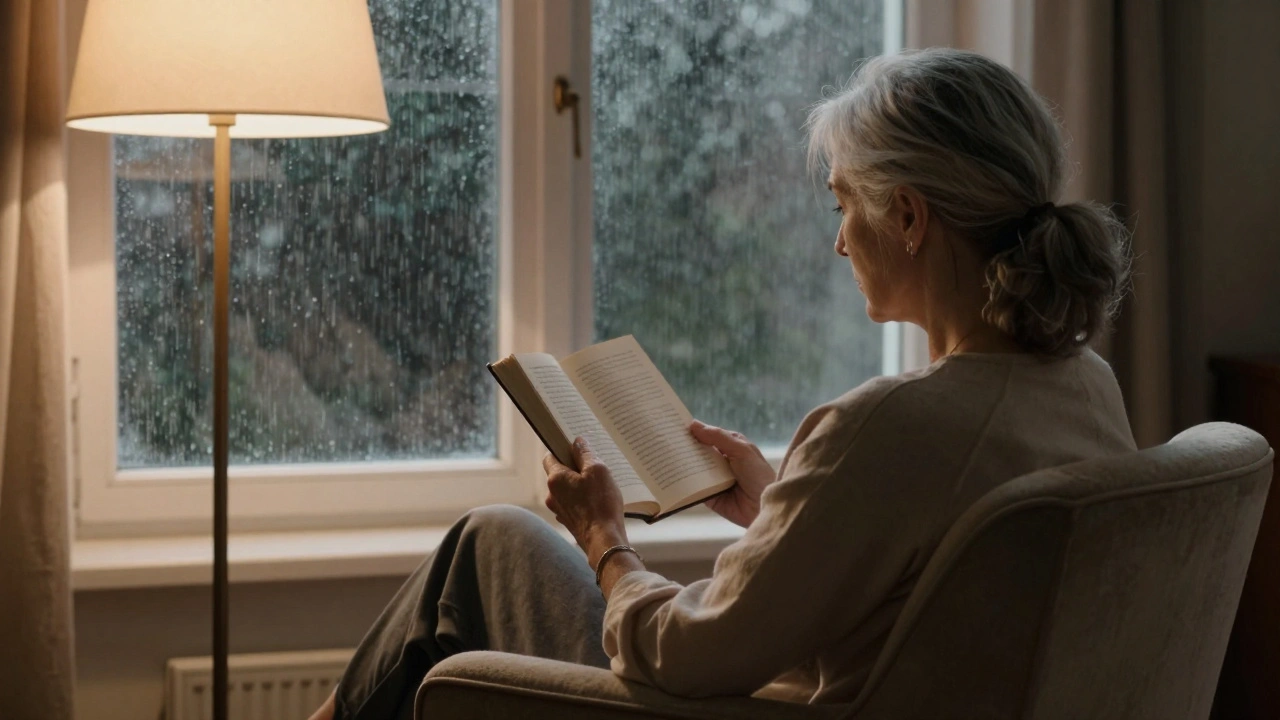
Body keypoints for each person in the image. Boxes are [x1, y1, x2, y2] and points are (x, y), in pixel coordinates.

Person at [311, 47, 1135, 720]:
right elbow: (926, 598)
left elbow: (686, 656)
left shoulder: (894, 425)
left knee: (485, 545)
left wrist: (604, 538)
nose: (840, 244)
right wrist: (783, 502)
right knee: (486, 545)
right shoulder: (1085, 386)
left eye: (841, 204)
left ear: (911, 219)